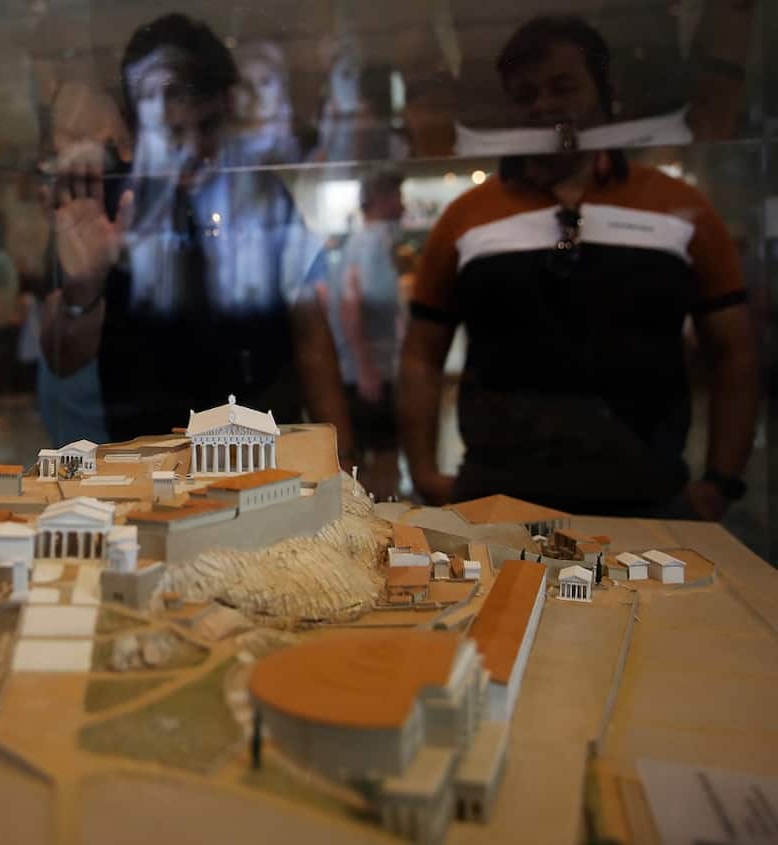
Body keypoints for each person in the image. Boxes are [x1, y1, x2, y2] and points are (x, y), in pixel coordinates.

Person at [398, 17, 758, 519]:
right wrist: (423, 474)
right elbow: (421, 354)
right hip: (495, 494)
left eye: (563, 86)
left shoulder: (678, 206)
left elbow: (734, 353)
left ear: (605, 92)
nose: (543, 105)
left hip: (646, 495)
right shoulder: (467, 216)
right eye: (524, 94)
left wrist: (722, 481)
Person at [40, 14, 353, 459]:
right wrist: (83, 288)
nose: (190, 149)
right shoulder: (101, 205)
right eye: (169, 133)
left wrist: (338, 462)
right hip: (148, 460)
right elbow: (63, 358)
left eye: (205, 128)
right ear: (134, 127)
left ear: (227, 107)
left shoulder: (262, 193)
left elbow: (311, 335)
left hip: (262, 452)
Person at [318, 169, 406, 498]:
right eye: (397, 197)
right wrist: (366, 369)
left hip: (372, 369)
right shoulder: (367, 242)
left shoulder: (373, 240)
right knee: (379, 463)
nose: (402, 205)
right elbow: (350, 305)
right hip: (367, 376)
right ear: (380, 201)